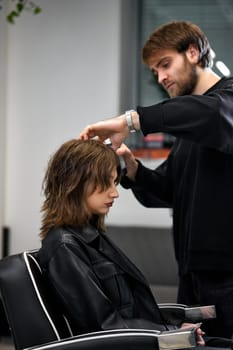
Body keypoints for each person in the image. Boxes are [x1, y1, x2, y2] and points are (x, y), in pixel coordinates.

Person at [79, 20, 233, 339]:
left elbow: (211, 114)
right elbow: (168, 190)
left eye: (165, 64)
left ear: (193, 52)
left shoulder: (225, 102)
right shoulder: (188, 131)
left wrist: (133, 120)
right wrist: (132, 169)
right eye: (154, 71)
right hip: (191, 276)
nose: (160, 77)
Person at [38, 138, 209, 347]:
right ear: (75, 182)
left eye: (115, 183)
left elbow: (126, 313)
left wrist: (174, 326)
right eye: (105, 183)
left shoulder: (90, 236)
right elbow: (104, 327)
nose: (115, 193)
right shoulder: (64, 247)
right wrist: (171, 332)